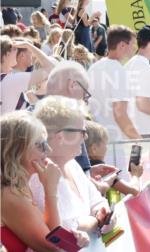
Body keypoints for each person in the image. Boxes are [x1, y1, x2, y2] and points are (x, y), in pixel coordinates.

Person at [1, 111, 89, 252]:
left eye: (46, 143)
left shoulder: (17, 186)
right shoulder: (8, 193)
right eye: (40, 145)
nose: (48, 151)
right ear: (17, 149)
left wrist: (72, 235)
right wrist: (50, 189)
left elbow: (53, 234)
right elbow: (53, 246)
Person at [30, 96, 112, 234]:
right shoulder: (38, 177)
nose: (85, 137)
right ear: (61, 137)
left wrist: (100, 213)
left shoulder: (72, 164)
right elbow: (64, 228)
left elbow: (97, 201)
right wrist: (98, 220)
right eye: (82, 132)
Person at [88, 25, 140, 140]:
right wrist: (139, 140)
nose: (134, 48)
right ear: (122, 45)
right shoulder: (120, 72)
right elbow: (120, 114)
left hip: (97, 140)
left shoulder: (94, 68)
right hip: (115, 142)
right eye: (132, 44)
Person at [126, 25, 150, 138]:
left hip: (137, 130)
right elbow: (143, 104)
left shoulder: (133, 63)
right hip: (143, 133)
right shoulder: (141, 65)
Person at [1, 36, 55, 114]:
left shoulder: (9, 78)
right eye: (14, 48)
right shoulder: (12, 79)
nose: (17, 51)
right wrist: (28, 45)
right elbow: (52, 68)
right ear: (7, 54)